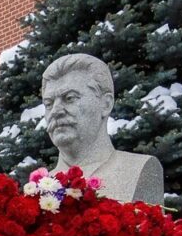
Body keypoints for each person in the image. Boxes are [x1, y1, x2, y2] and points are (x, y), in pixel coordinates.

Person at [41, 53, 163, 204]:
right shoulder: (38, 188)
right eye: (48, 104)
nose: (56, 111)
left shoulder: (138, 169)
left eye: (70, 98)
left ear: (105, 104)